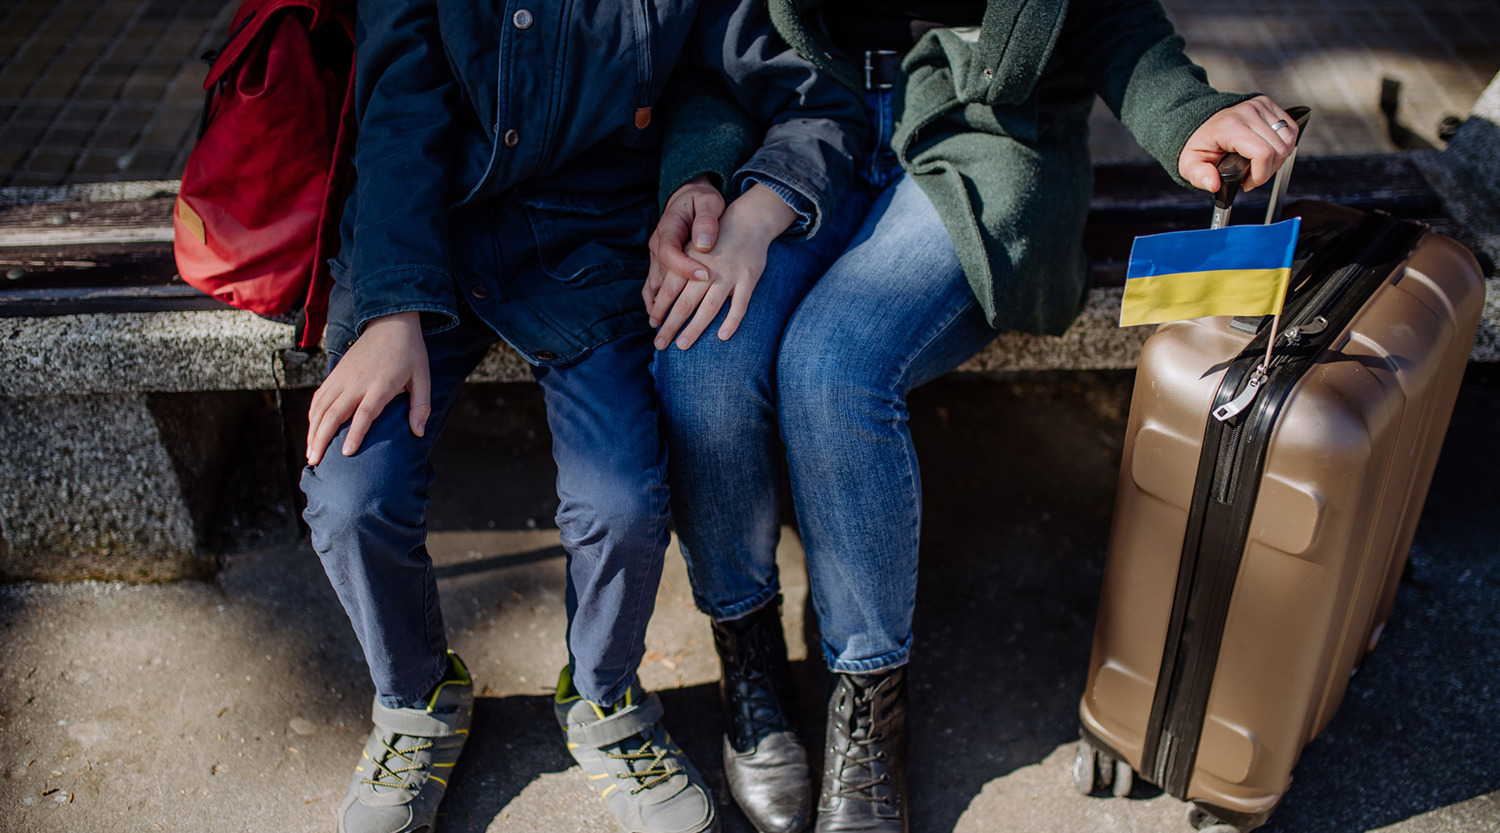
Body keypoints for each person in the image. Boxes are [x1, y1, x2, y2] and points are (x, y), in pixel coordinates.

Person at [647, 2, 1300, 832]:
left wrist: (1187, 115)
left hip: (977, 147)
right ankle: (750, 658)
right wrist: (700, 174)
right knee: (701, 356)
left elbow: (1110, 19)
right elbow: (714, 52)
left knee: (833, 366)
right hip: (798, 135)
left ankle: (868, 704)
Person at [296, 2, 863, 832]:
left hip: (590, 248)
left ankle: (604, 698)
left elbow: (795, 90)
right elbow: (397, 108)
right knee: (350, 495)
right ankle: (417, 698)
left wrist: (731, 195)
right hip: (426, 238)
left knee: (622, 503)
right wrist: (389, 311)